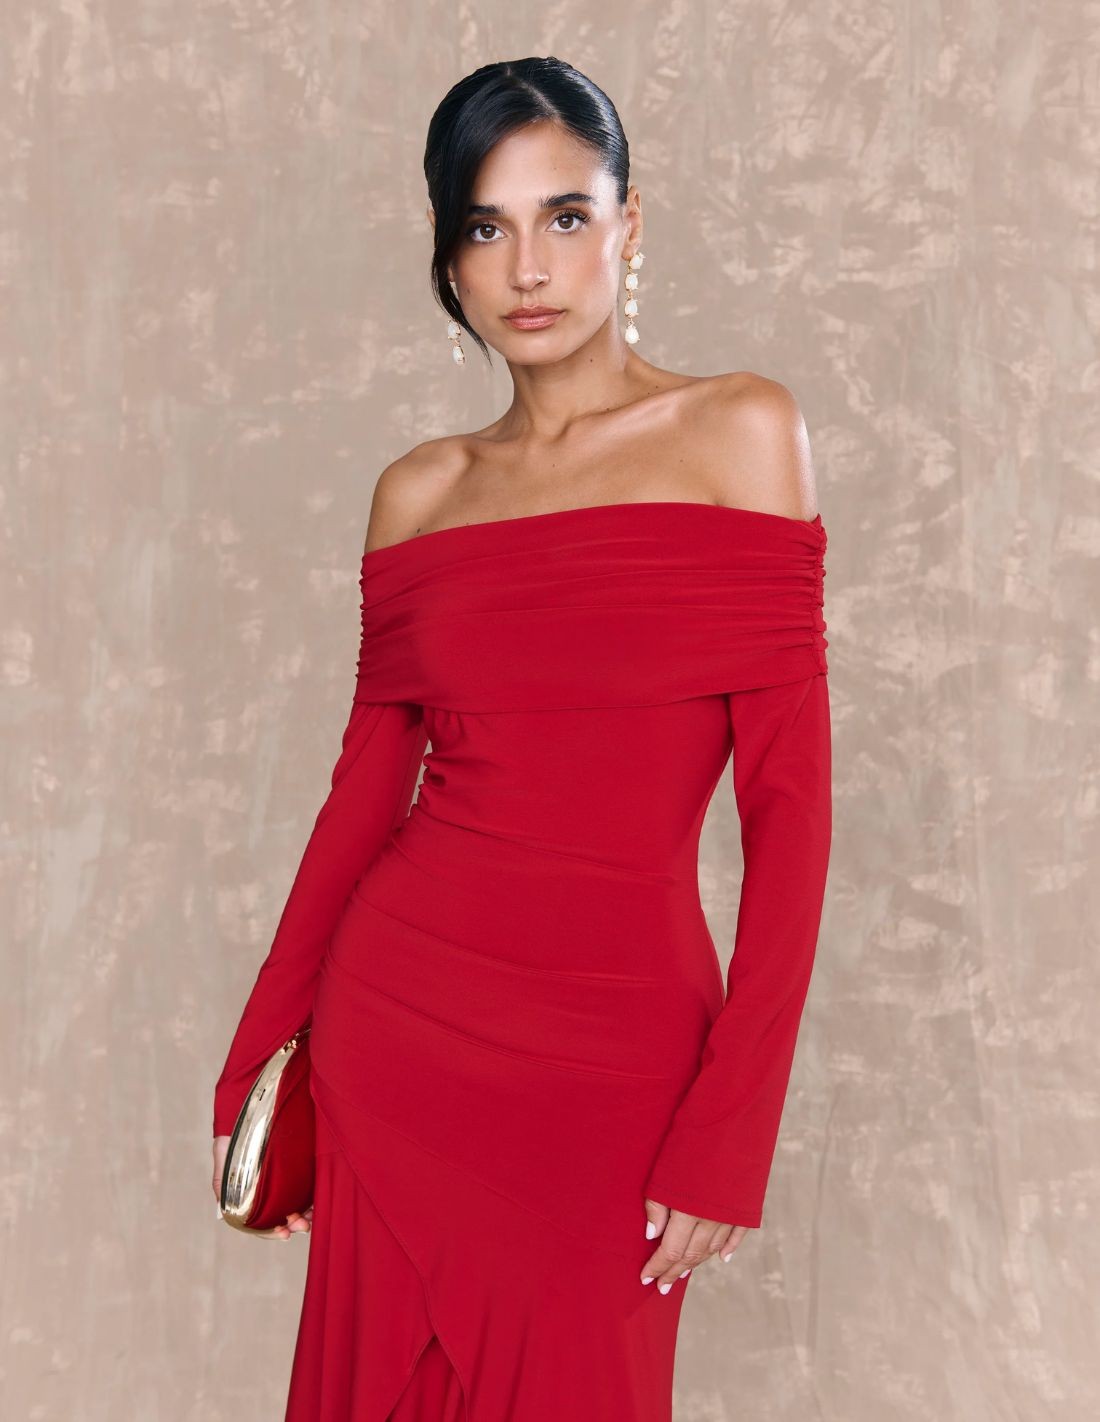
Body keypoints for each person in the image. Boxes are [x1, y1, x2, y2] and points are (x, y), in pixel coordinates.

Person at [210, 55, 832, 1422]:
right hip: (400, 1031)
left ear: (630, 224)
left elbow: (791, 817)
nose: (528, 267)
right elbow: (360, 805)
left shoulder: (740, 431)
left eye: (565, 215)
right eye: (485, 226)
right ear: (447, 253)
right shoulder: (422, 493)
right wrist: (259, 1064)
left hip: (620, 1057)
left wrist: (731, 1130)